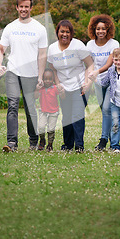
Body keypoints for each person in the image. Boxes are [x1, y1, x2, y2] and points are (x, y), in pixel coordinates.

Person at [0, 0, 48, 152]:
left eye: (27, 6)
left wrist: (40, 76)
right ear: (17, 8)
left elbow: (42, 55)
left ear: (31, 8)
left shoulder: (39, 28)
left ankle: (33, 140)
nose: (24, 9)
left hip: (31, 75)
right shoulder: (10, 27)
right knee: (12, 106)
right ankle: (12, 143)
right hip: (13, 71)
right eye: (21, 6)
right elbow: (0, 50)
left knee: (30, 108)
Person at [47, 20, 93, 152]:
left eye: (67, 32)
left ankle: (79, 146)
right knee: (66, 117)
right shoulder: (52, 48)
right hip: (63, 88)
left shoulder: (78, 45)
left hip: (79, 86)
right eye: (62, 31)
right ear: (58, 32)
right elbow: (52, 69)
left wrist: (87, 83)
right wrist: (58, 85)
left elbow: (90, 64)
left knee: (77, 115)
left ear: (71, 33)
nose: (65, 34)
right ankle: (67, 145)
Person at [86, 14, 120, 151]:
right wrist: (90, 78)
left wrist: (96, 72)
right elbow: (90, 64)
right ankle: (113, 139)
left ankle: (103, 140)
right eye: (98, 29)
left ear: (108, 30)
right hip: (98, 82)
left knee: (107, 109)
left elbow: (109, 63)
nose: (101, 31)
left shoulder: (114, 44)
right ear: (94, 29)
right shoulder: (89, 45)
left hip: (111, 80)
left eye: (104, 29)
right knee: (105, 111)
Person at [34, 68, 61, 152]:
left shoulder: (55, 88)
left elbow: (62, 96)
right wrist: (37, 89)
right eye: (45, 79)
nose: (48, 81)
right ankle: (42, 140)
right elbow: (35, 97)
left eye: (50, 79)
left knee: (51, 129)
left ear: (53, 79)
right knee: (41, 127)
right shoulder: (41, 88)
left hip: (54, 112)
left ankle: (50, 144)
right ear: (42, 79)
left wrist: (62, 91)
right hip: (43, 111)